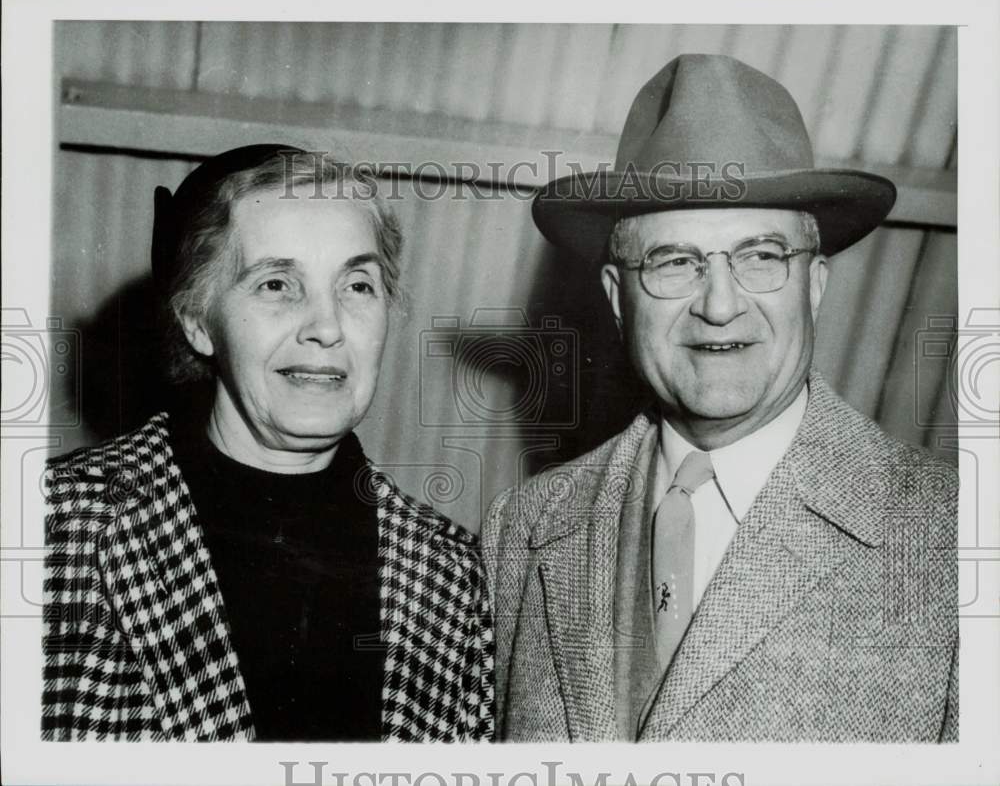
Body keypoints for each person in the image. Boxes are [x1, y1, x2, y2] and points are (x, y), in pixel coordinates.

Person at [483, 54, 957, 742]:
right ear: (618, 298)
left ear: (816, 286)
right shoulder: (521, 529)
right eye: (674, 262)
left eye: (761, 256)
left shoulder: (956, 538)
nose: (720, 304)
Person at [43, 145, 494, 742]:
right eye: (278, 283)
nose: (327, 327)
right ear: (198, 321)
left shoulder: (453, 578)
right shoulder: (54, 526)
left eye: (358, 285)